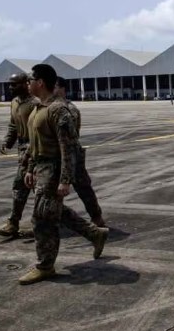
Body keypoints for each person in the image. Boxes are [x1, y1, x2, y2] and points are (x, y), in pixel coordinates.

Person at [19, 64, 109, 285]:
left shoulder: (59, 111)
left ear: (40, 82)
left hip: (54, 170)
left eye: (31, 79)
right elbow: (34, 144)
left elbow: (68, 148)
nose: (27, 83)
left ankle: (45, 266)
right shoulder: (37, 109)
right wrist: (30, 168)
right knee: (52, 212)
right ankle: (95, 234)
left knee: (42, 220)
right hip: (41, 169)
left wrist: (65, 180)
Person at [54, 77, 106, 228]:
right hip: (57, 156)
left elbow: (71, 137)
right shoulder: (50, 107)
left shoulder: (69, 109)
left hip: (72, 155)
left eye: (55, 86)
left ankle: (96, 218)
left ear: (62, 88)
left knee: (83, 188)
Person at [0, 73, 39, 238]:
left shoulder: (36, 102)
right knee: (22, 187)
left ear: (26, 83)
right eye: (10, 84)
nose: (11, 87)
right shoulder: (14, 102)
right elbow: (13, 125)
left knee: (30, 187)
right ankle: (14, 223)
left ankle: (30, 224)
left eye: (14, 84)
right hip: (22, 147)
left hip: (34, 148)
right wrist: (7, 142)